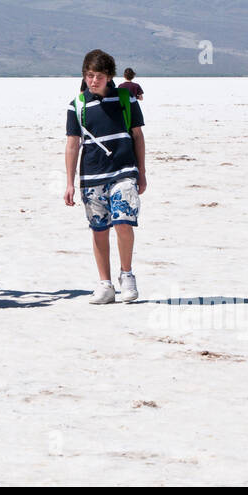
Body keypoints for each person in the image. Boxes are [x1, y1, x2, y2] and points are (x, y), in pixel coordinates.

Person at [63, 49, 146, 304]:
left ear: (109, 76)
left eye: (98, 75)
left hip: (124, 172)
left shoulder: (125, 99)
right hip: (92, 176)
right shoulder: (77, 105)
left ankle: (127, 276)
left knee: (123, 222)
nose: (93, 80)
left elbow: (138, 137)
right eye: (89, 75)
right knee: (99, 230)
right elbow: (72, 144)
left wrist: (141, 172)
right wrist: (69, 183)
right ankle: (105, 284)